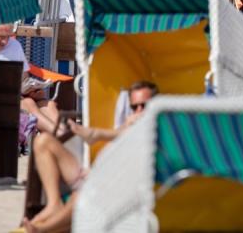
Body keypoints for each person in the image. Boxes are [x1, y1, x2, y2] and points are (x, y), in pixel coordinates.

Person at [21, 81, 159, 233]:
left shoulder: (159, 129)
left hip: (118, 187)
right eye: (134, 107)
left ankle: (41, 229)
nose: (139, 111)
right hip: (97, 175)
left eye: (144, 106)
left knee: (83, 196)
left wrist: (96, 134)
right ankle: (54, 204)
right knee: (43, 142)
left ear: (156, 105)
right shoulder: (129, 125)